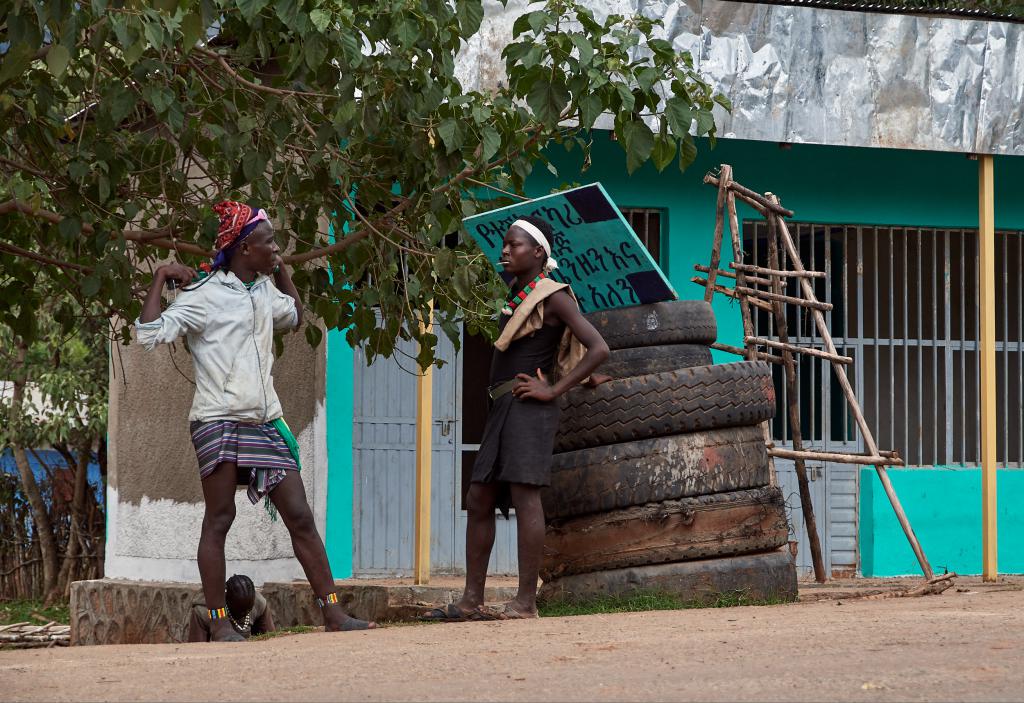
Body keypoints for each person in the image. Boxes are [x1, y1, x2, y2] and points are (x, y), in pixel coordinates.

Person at [136, 201, 375, 641]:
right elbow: (149, 333)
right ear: (246, 248)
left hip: (265, 421)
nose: (276, 248)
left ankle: (334, 612)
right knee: (220, 517)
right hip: (218, 420)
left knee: (300, 515)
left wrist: (281, 270)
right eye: (269, 243)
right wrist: (161, 277)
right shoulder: (203, 296)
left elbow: (295, 315)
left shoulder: (263, 292)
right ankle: (220, 621)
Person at [422, 215, 610, 622]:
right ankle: (472, 599)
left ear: (539, 253)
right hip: (504, 406)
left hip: (530, 408)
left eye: (515, 245)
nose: (505, 251)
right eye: (505, 244)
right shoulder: (517, 293)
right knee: (479, 496)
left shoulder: (553, 295)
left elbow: (598, 348)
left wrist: (553, 390)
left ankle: (526, 602)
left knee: (526, 497)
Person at [188, 574, 275, 642]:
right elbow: (196, 647)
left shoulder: (259, 603)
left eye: (249, 609)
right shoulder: (204, 610)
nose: (245, 613)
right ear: (226, 600)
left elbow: (270, 639)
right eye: (240, 610)